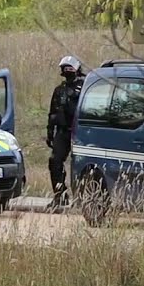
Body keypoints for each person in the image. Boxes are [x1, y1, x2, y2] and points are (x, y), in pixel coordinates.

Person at [45, 55, 84, 210]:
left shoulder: (84, 87)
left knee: (81, 164)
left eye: (71, 68)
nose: (68, 70)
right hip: (63, 132)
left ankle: (82, 198)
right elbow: (52, 112)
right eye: (65, 68)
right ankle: (60, 195)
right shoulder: (59, 90)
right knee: (54, 162)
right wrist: (49, 131)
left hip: (80, 133)